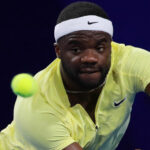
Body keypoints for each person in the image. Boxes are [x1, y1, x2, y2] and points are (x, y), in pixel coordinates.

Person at [0, 1, 150, 150]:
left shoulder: (129, 62)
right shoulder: (37, 106)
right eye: (76, 49)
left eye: (99, 47)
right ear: (58, 51)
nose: (90, 58)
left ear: (110, 47)